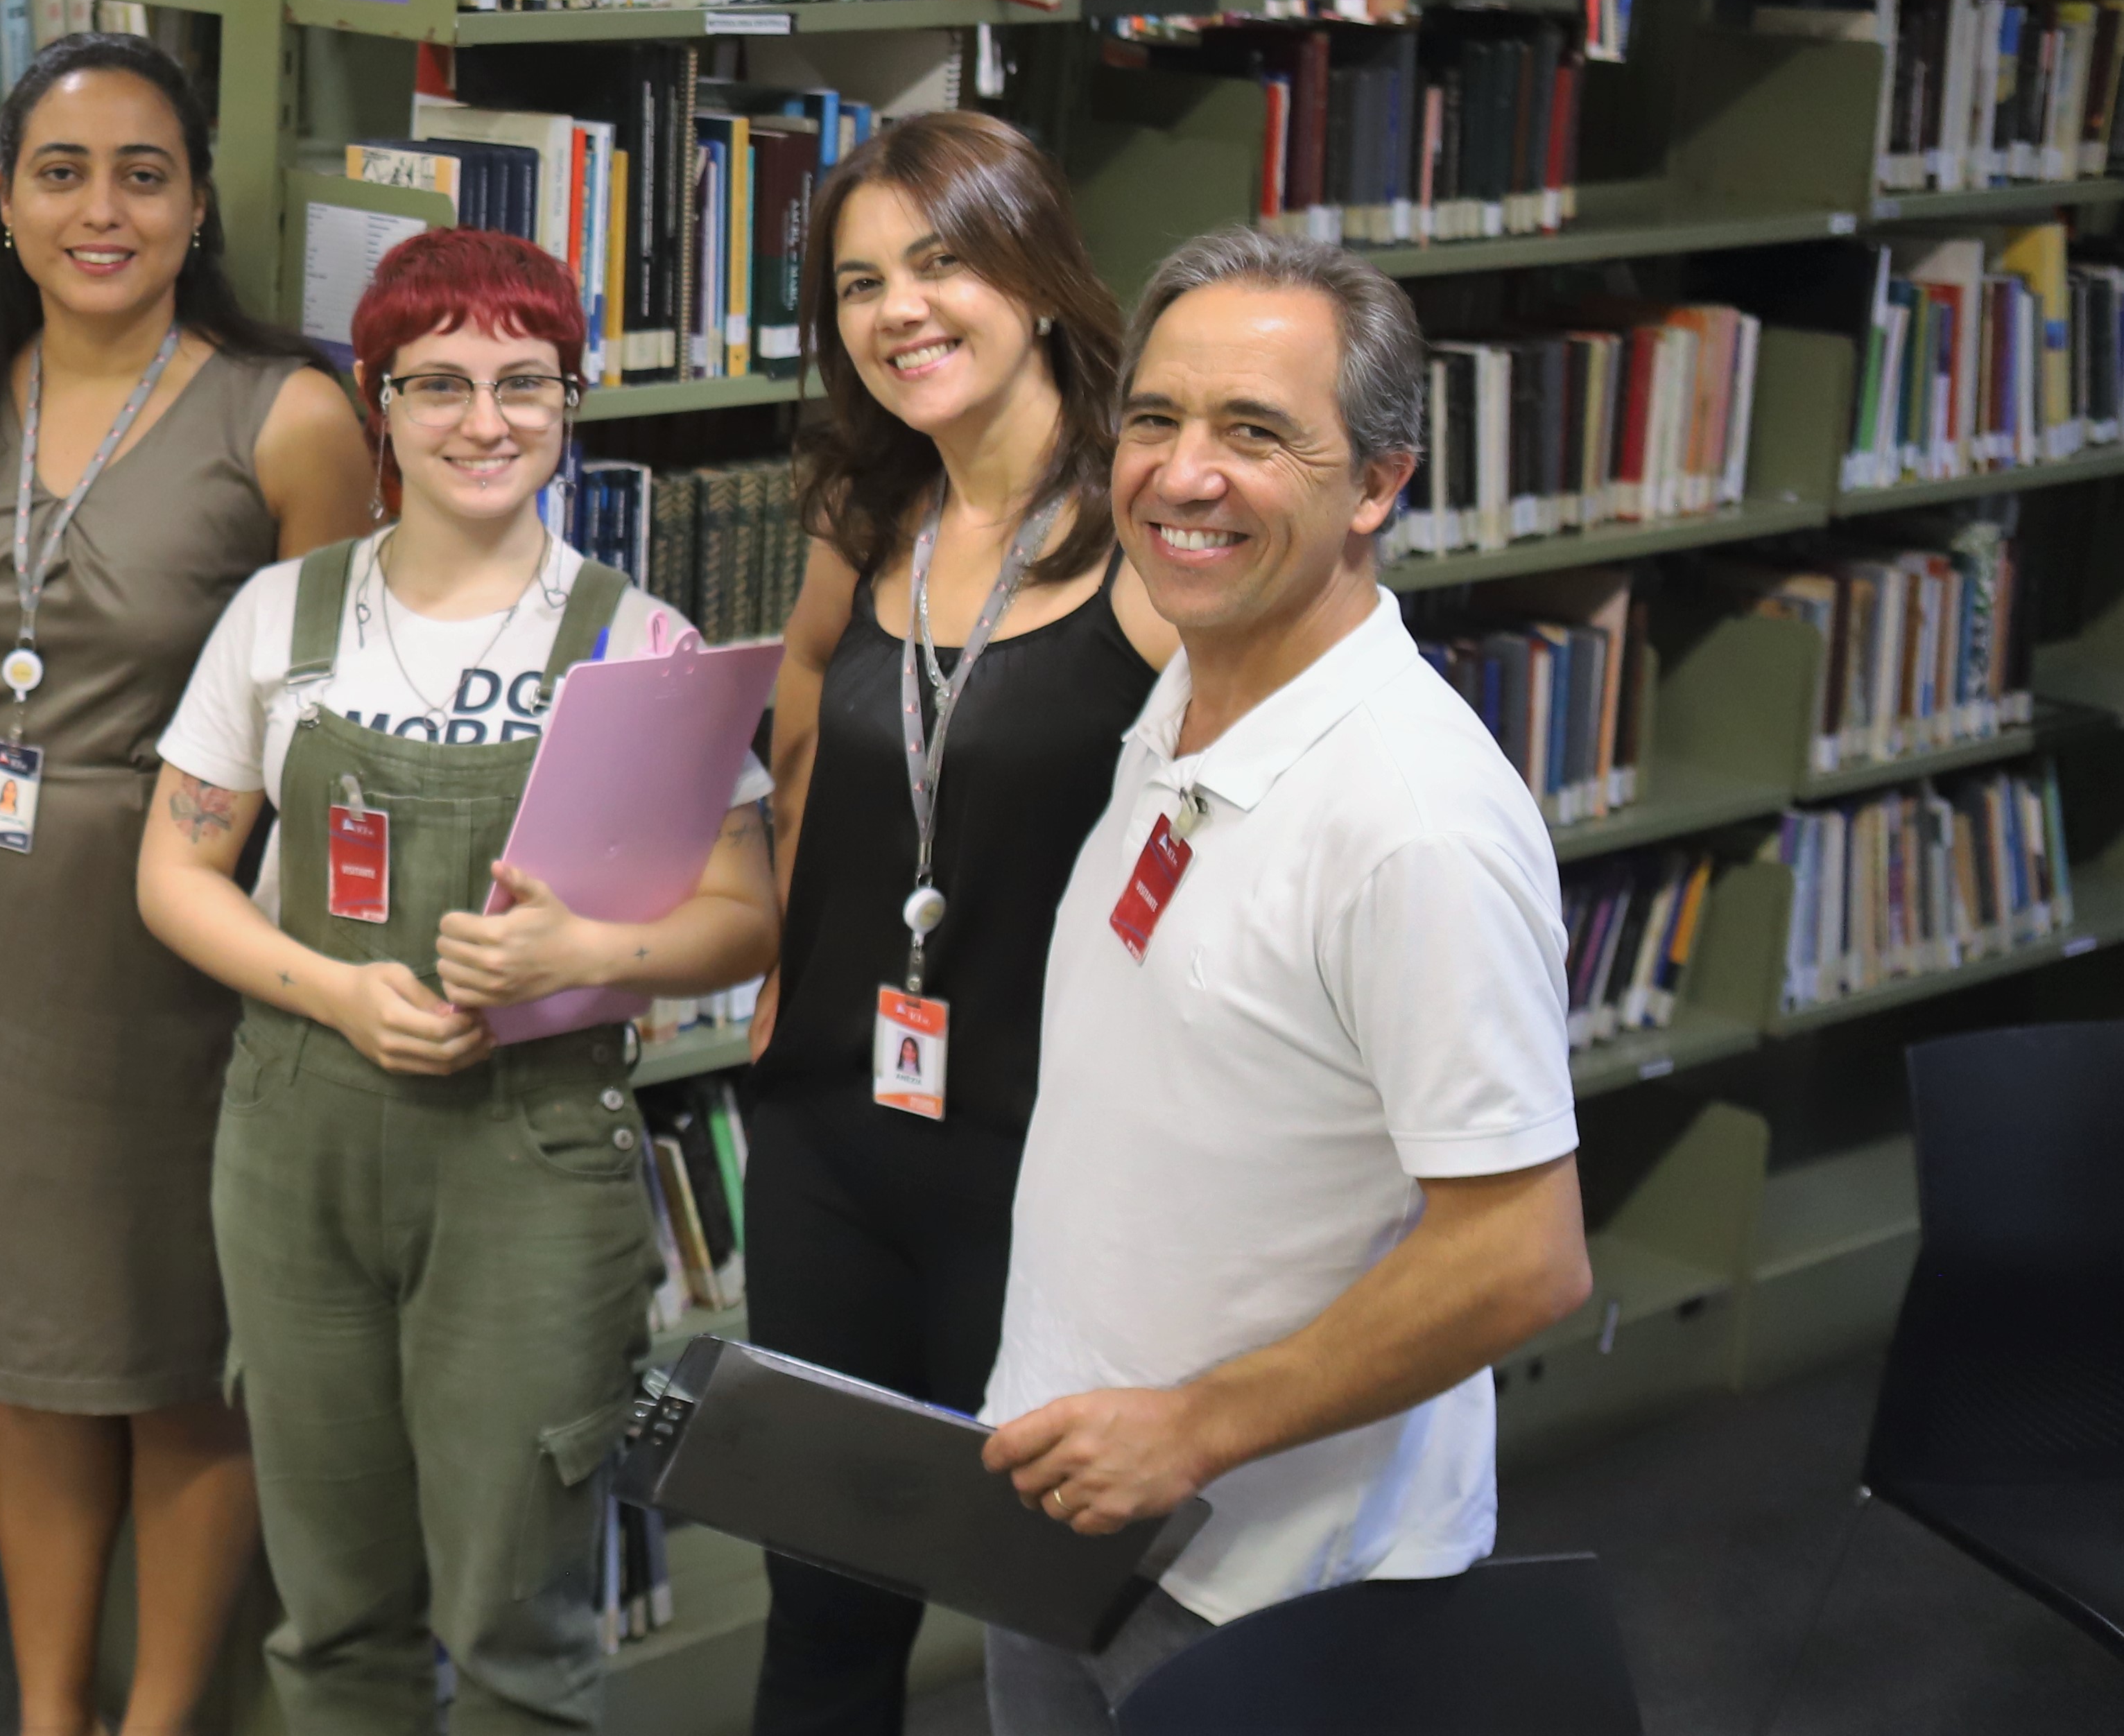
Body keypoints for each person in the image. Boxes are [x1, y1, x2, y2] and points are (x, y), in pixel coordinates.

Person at [139, 226, 780, 1733]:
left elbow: (742, 917)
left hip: (532, 1153)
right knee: (333, 1610)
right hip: (296, 1136)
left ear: (572, 402)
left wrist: (590, 955)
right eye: (437, 384)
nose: (482, 421)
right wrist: (332, 989)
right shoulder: (281, 618)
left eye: (522, 382)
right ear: (379, 404)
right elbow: (172, 876)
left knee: (518, 1624)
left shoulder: (641, 644)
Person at [975, 229, 1593, 1730]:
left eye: (1255, 434)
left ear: (1375, 483)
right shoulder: (1192, 684)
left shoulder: (1413, 825)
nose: (1183, 475)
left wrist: (1193, 1430)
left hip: (1275, 1590)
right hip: (1076, 1511)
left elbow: (1523, 1255)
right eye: (1155, 420)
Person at [0, 31, 377, 1736]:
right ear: (2, 204)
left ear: (198, 201)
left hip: (184, 949)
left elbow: (328, 740)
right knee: (20, 1351)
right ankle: (44, 1712)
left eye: (141, 173)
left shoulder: (285, 420)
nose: (101, 209)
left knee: (174, 1356)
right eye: (61, 173)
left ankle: (156, 1717)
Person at [741, 114, 1175, 1736]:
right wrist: (780, 970)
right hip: (832, 1132)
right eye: (859, 283)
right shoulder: (866, 508)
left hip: (1042, 1157)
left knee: (1052, 1607)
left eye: (939, 262)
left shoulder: (1149, 526)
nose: (898, 311)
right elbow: (800, 720)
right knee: (823, 1599)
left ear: (1036, 269)